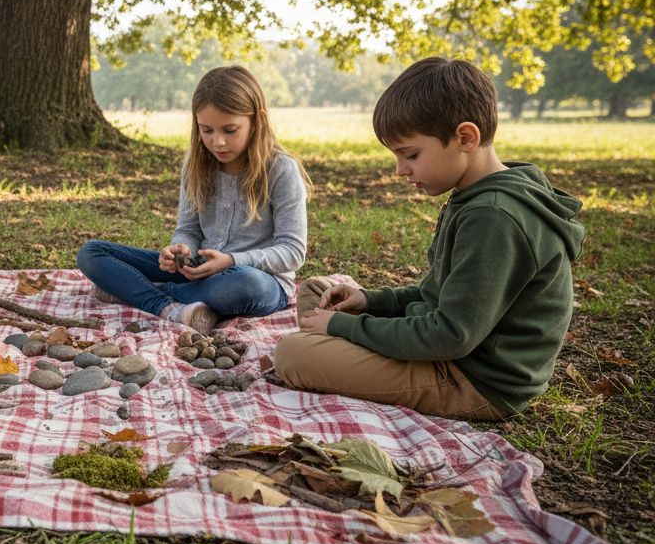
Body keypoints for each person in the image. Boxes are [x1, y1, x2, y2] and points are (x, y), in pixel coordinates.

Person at [275, 57, 585, 420]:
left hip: (472, 381)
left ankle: (329, 348)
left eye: (411, 155)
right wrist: (370, 301)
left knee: (292, 355)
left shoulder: (494, 216)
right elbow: (435, 296)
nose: (400, 169)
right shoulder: (473, 194)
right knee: (317, 290)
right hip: (448, 353)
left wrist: (343, 326)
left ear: (465, 138)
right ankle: (335, 346)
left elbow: (450, 334)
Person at [77, 65, 309, 333]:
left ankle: (135, 291)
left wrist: (232, 260)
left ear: (257, 121)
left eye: (230, 130)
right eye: (206, 130)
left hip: (258, 281)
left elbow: (293, 252)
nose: (218, 142)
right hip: (199, 270)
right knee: (92, 252)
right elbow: (188, 230)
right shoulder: (195, 164)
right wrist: (180, 251)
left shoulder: (281, 170)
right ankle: (169, 307)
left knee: (245, 285)